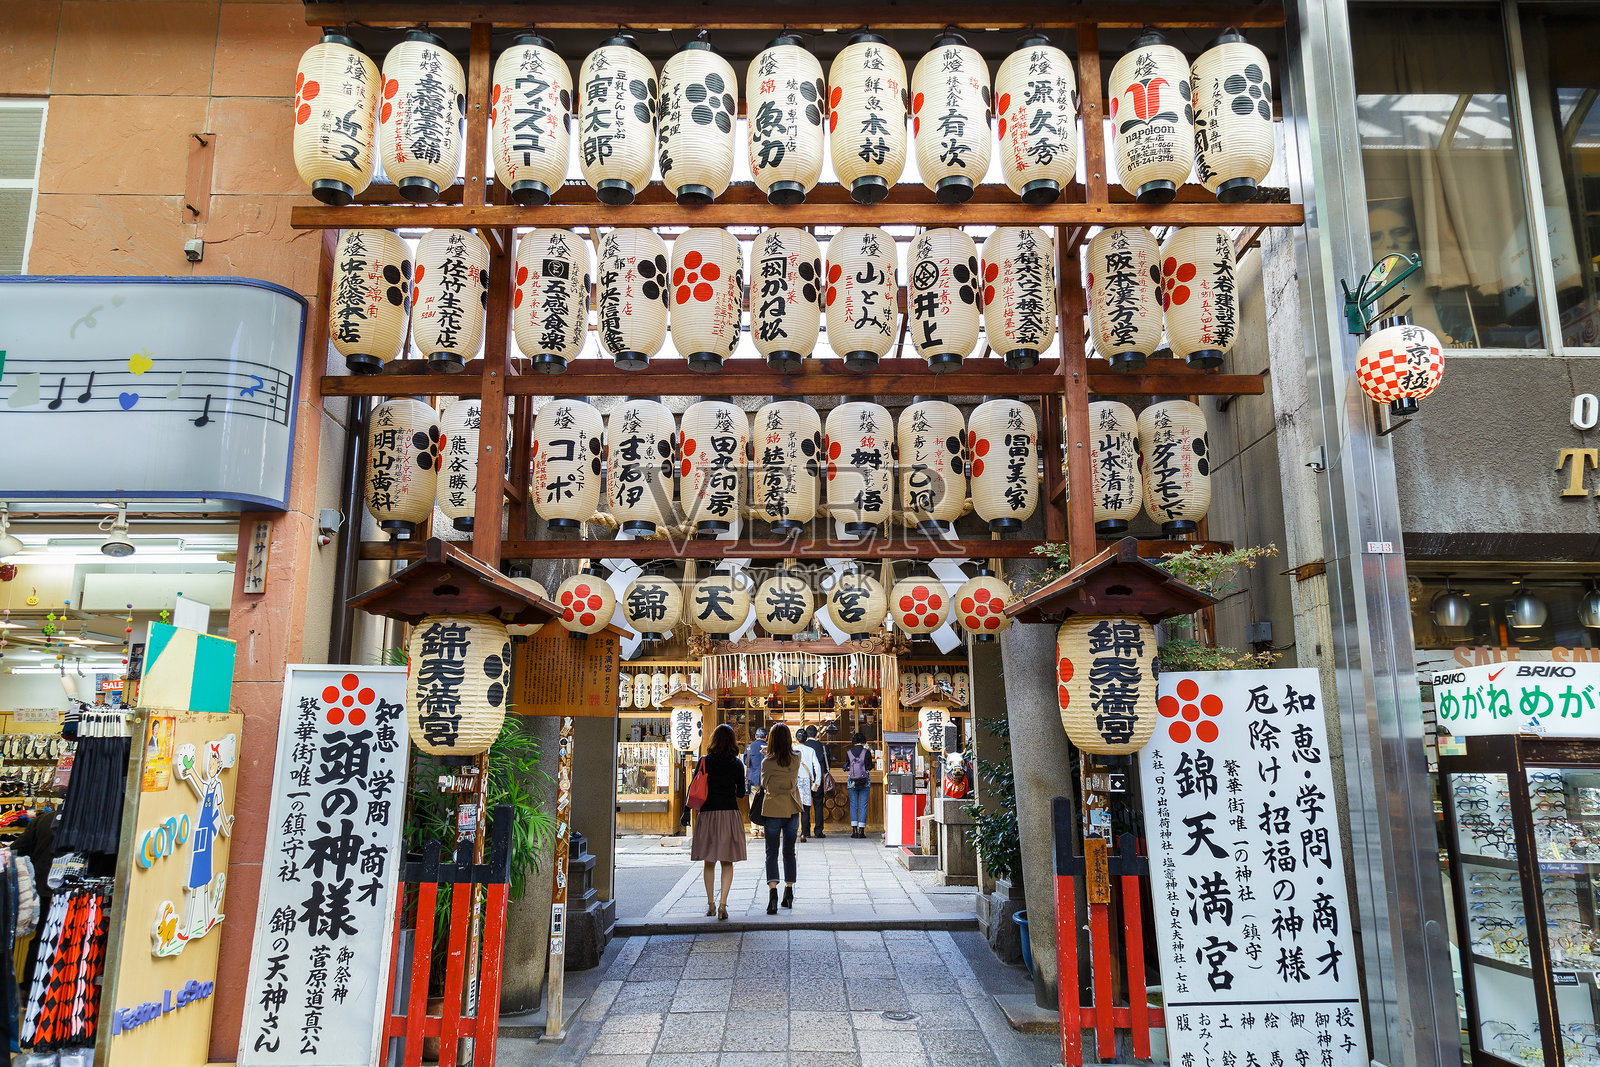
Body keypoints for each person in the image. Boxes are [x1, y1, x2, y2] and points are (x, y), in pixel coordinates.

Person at [690, 724, 747, 920]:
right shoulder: (737, 764)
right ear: (732, 742)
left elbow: (693, 787)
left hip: (708, 814)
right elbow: (741, 793)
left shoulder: (704, 761)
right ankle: (723, 904)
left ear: (714, 740)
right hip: (729, 814)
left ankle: (710, 905)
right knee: (727, 861)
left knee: (709, 861)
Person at [758, 723, 804, 913]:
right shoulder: (796, 759)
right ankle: (789, 891)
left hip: (772, 809)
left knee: (771, 853)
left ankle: (773, 894)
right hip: (792, 808)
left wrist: (768, 754)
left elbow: (764, 784)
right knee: (789, 852)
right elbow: (794, 752)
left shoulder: (766, 763)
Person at [843, 732, 876, 838]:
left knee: (853, 805)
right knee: (863, 805)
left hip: (852, 782)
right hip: (865, 781)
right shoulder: (867, 752)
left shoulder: (849, 752)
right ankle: (861, 831)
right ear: (863, 741)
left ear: (854, 741)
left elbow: (847, 766)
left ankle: (854, 830)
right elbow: (869, 766)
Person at [802, 725, 831, 838]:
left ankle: (806, 831)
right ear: (817, 734)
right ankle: (818, 831)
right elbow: (828, 764)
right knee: (818, 806)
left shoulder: (803, 747)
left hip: (805, 780)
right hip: (818, 780)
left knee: (805, 806)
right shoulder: (823, 747)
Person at [795, 728, 822, 843]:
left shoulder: (792, 750)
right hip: (806, 780)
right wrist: (817, 782)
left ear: (796, 739)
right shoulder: (810, 750)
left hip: (794, 781)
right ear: (806, 739)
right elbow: (817, 766)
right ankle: (804, 833)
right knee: (805, 808)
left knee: (793, 808)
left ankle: (792, 832)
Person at [743, 728, 767, 838]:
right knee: (764, 804)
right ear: (766, 737)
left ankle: (754, 830)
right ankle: (762, 829)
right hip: (766, 780)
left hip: (753, 779)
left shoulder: (749, 747)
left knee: (753, 803)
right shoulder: (769, 747)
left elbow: (746, 762)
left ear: (756, 736)